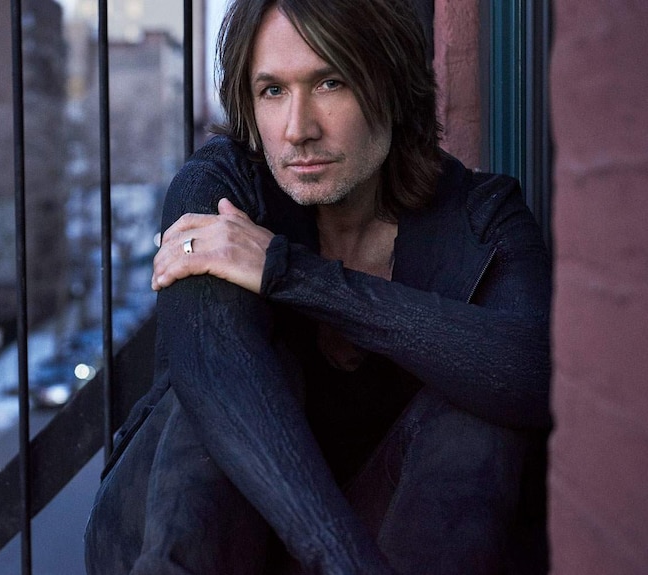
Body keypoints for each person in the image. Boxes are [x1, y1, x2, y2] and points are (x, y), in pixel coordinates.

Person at [84, 0, 551, 573]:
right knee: (243, 379)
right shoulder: (223, 188)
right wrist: (342, 559)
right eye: (272, 91)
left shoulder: (482, 216)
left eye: (331, 82)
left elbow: (536, 376)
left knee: (475, 408)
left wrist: (291, 274)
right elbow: (214, 372)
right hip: (202, 536)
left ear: (394, 87)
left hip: (388, 534)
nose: (297, 130)